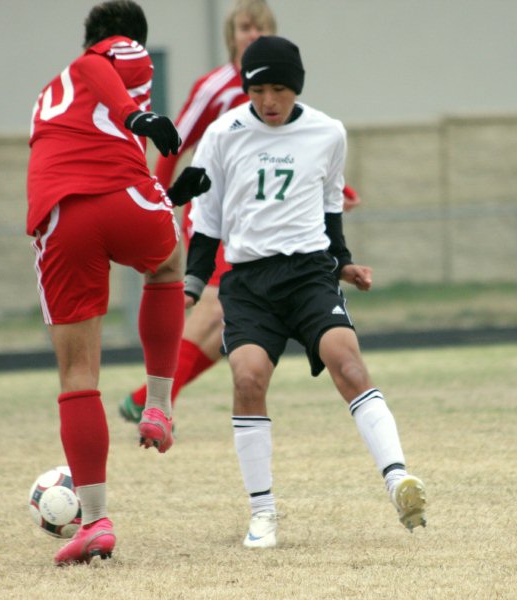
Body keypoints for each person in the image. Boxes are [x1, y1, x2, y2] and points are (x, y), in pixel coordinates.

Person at [181, 35, 427, 549]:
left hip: (309, 276)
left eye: (279, 89)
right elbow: (206, 221)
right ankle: (263, 514)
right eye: (258, 90)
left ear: (296, 89)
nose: (268, 101)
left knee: (351, 364)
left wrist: (344, 264)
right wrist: (192, 285)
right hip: (248, 284)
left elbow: (330, 206)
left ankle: (398, 478)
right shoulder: (223, 135)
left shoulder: (328, 133)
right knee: (248, 379)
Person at [119, 0, 361, 425]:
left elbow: (296, 154)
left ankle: (150, 397)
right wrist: (160, 203)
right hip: (218, 220)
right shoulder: (216, 87)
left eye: (261, 29)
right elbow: (175, 143)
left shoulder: (277, 88)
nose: (253, 35)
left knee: (222, 324)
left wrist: (340, 190)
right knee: (213, 312)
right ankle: (152, 398)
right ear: (232, 35)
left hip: (262, 222)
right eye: (246, 28)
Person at [27, 0, 193, 565]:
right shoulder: (113, 56)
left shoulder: (51, 93)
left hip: (60, 216)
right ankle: (160, 404)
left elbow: (84, 143)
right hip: (121, 198)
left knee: (78, 375)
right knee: (168, 265)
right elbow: (103, 66)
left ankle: (95, 520)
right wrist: (137, 114)